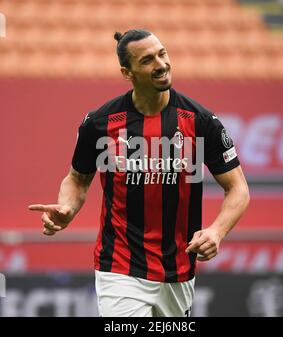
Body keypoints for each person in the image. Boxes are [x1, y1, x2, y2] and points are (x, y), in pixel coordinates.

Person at [29, 29, 250, 317]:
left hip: (178, 269)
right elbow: (77, 178)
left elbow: (238, 188)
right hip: (120, 265)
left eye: (162, 53)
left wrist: (216, 232)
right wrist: (68, 207)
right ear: (127, 72)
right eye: (147, 60)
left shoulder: (201, 121)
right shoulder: (100, 123)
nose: (160, 64)